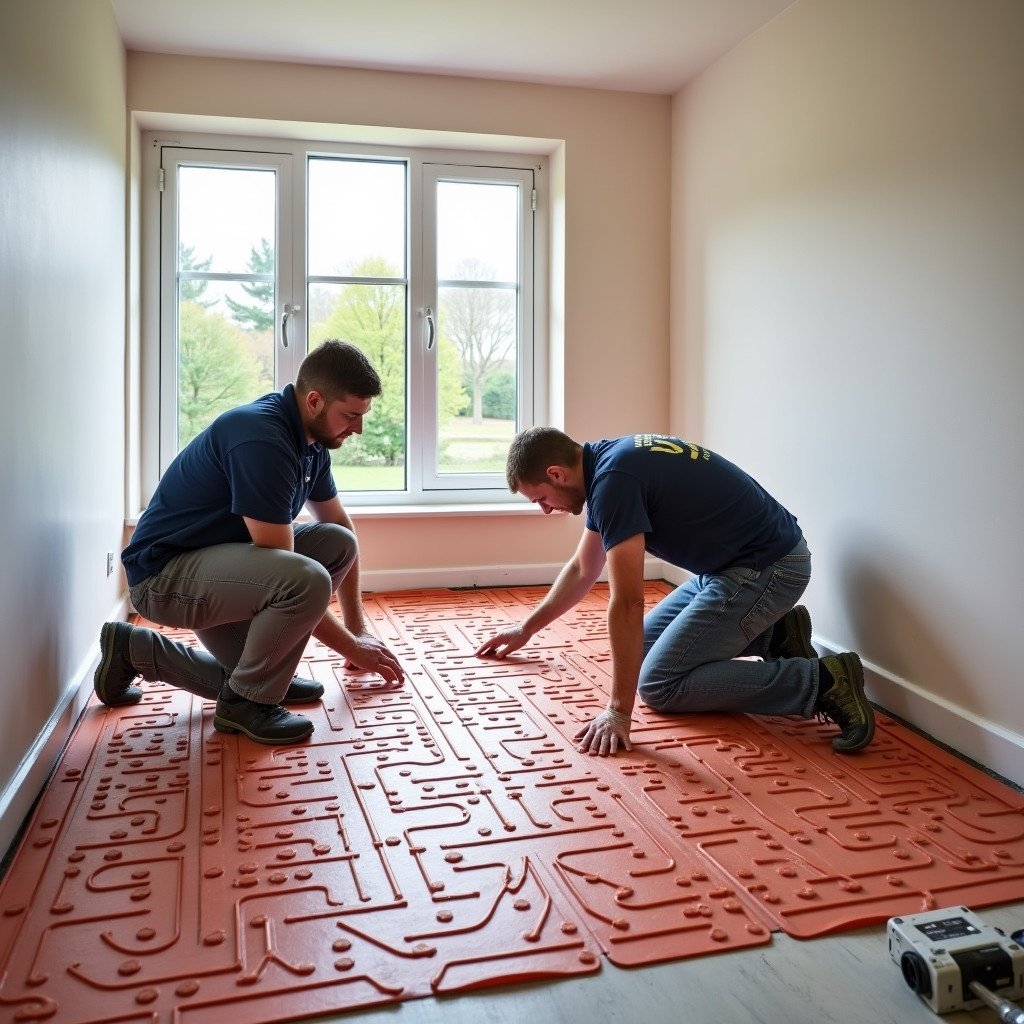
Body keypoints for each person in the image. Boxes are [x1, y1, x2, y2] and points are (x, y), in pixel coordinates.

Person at [475, 428, 874, 757]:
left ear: (557, 473)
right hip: (729, 569)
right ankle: (775, 634)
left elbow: (628, 601)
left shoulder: (614, 482)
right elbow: (583, 567)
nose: (545, 509)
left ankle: (821, 680)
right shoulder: (605, 465)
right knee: (642, 649)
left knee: (660, 685)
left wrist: (618, 711)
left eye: (541, 498)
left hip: (768, 568)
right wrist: (526, 629)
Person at [94, 340, 404, 745]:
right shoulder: (262, 438)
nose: (358, 429)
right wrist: (352, 648)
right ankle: (247, 704)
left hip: (220, 567)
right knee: (299, 589)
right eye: (350, 415)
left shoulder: (311, 443)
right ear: (313, 401)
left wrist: (359, 630)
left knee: (338, 543)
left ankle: (134, 649)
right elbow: (292, 571)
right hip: (165, 578)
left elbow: (339, 524)